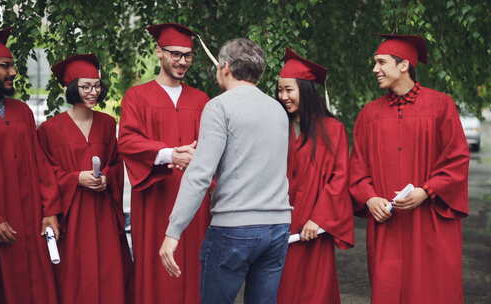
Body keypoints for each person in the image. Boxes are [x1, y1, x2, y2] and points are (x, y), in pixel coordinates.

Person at [160, 38, 292, 304]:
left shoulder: (219, 106)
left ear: (225, 67)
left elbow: (200, 175)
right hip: (278, 225)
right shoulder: (277, 109)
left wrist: (173, 231)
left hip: (235, 226)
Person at [349, 34, 469, 304]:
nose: (375, 69)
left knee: (433, 290)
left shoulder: (440, 105)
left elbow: (457, 158)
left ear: (404, 65)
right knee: (388, 289)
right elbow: (356, 166)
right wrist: (369, 197)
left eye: (381, 62)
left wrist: (427, 191)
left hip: (430, 220)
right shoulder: (369, 114)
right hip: (387, 223)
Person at [118, 23, 211, 304]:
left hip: (194, 197)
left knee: (193, 264)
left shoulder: (202, 100)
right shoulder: (137, 96)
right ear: (159, 53)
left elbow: (215, 147)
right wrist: (171, 154)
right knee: (155, 266)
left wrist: (199, 159)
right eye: (175, 54)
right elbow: (127, 141)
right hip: (155, 197)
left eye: (188, 55)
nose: (182, 61)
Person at [37, 54, 132, 304]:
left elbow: (116, 163)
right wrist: (76, 178)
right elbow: (45, 172)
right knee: (75, 274)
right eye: (85, 86)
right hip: (72, 214)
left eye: (97, 85)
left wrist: (107, 179)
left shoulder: (108, 124)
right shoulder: (50, 129)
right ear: (71, 88)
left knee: (110, 269)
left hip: (103, 212)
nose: (93, 92)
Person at [275, 48, 354, 304]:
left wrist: (318, 219)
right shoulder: (275, 127)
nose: (283, 96)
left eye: (289, 90)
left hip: (313, 231)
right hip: (277, 226)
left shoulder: (332, 130)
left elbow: (339, 179)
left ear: (306, 90)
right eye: (280, 90)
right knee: (279, 291)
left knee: (315, 293)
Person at [0, 27, 61, 304]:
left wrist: (50, 211)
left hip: (28, 222)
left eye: (12, 66)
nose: (13, 72)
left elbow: (41, 166)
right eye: (4, 66)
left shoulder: (20, 111)